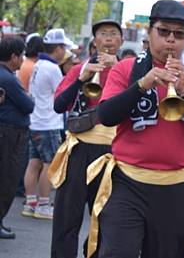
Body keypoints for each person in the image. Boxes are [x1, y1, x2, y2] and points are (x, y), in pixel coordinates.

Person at [87, 0, 184, 258]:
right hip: (127, 184)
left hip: (178, 187)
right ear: (149, 32)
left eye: (179, 34)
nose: (171, 40)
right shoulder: (126, 69)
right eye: (163, 32)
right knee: (116, 253)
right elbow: (106, 116)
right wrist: (142, 84)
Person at [49, 19, 123, 258]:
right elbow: (59, 105)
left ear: (121, 41)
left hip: (113, 154)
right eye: (103, 34)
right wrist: (82, 78)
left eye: (113, 33)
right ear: (95, 41)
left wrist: (120, 68)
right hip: (78, 149)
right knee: (66, 217)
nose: (109, 38)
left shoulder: (129, 71)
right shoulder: (78, 69)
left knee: (104, 219)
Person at [22, 28, 73, 220]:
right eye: (63, 48)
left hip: (35, 121)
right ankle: (44, 204)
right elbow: (61, 95)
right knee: (49, 165)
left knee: (34, 163)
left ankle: (30, 202)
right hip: (48, 123)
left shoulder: (38, 64)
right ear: (58, 48)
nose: (64, 52)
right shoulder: (52, 68)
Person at [0, 36, 34, 239]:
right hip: (9, 135)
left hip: (9, 133)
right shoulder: (8, 78)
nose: (22, 60)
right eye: (20, 55)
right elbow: (28, 105)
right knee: (8, 179)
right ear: (13, 57)